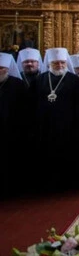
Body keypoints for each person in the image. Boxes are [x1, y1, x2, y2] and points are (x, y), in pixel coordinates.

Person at [36, 48, 79, 190]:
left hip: (69, 126)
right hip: (46, 126)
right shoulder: (41, 79)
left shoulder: (74, 80)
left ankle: (70, 183)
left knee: (69, 155)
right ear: (49, 63)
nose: (60, 65)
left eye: (62, 62)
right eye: (55, 63)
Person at [0, 52, 28, 197]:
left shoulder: (17, 85)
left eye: (1, 68)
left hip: (12, 130)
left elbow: (24, 109)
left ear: (8, 68)